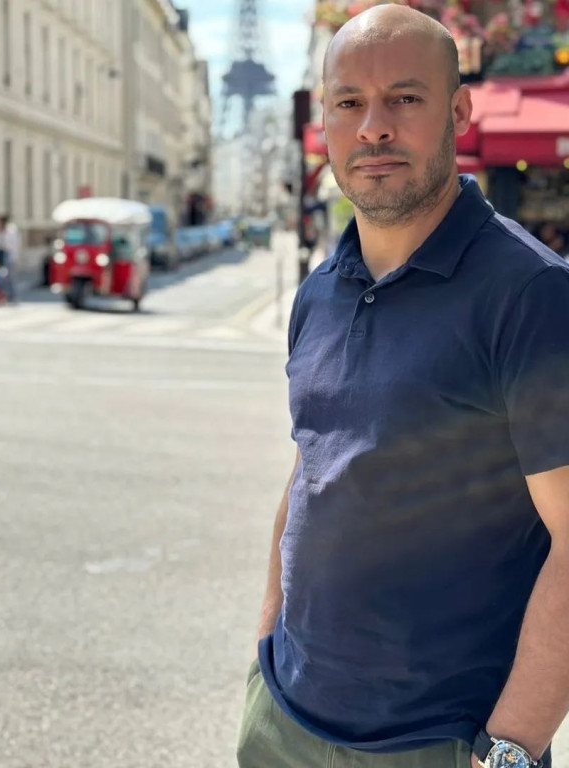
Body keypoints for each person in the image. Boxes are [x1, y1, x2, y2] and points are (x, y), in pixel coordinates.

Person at [237, 5, 569, 768]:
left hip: (437, 743)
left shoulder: (530, 295)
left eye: (404, 99)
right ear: (324, 121)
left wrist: (511, 750)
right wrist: (266, 644)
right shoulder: (320, 290)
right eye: (349, 102)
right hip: (285, 724)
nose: (373, 128)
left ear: (458, 111)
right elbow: (311, 466)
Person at [0, 213, 21, 303]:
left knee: (9, 277)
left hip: (9, 256)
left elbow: (12, 246)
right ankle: (1, 295)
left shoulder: (11, 231)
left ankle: (11, 296)